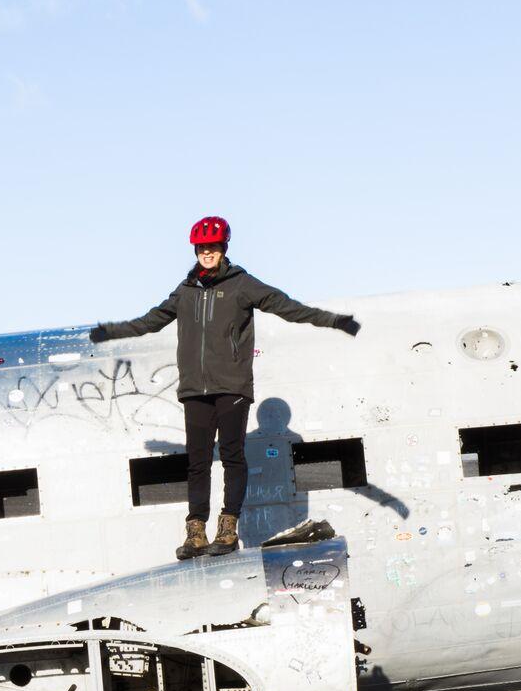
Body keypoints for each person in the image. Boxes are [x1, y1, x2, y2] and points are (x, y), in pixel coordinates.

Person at [91, 216, 360, 560]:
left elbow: (287, 307)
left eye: (213, 248)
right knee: (197, 461)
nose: (207, 253)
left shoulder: (241, 284)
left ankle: (228, 528)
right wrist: (109, 332)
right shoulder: (184, 291)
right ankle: (196, 532)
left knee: (232, 456)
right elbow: (150, 320)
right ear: (196, 251)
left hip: (232, 386)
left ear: (223, 249)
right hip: (195, 390)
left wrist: (334, 320)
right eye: (202, 248)